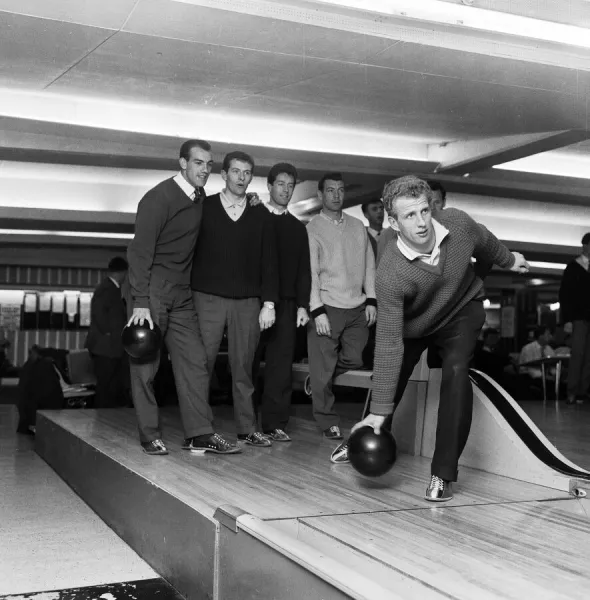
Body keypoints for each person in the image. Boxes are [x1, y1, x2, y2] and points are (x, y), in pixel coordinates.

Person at [337, 175, 529, 502]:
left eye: (424, 211)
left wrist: (511, 260)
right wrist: (381, 412)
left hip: (460, 309)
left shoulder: (457, 224)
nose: (421, 222)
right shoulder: (390, 271)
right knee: (393, 373)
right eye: (409, 216)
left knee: (456, 371)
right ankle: (368, 426)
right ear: (394, 223)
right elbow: (388, 343)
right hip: (413, 323)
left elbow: (486, 241)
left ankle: (443, 472)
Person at [127, 139, 240, 456]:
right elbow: (139, 253)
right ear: (182, 163)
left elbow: (223, 211)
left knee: (195, 363)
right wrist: (140, 301)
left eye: (209, 164)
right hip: (151, 290)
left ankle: (200, 433)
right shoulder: (158, 198)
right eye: (198, 163)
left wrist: (250, 200)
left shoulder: (200, 199)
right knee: (145, 367)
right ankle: (149, 434)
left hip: (182, 292)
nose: (205, 170)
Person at [191, 151, 279, 448]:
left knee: (244, 367)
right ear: (224, 175)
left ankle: (247, 428)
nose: (242, 177)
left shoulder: (260, 213)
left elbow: (269, 262)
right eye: (236, 171)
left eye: (247, 173)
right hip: (207, 298)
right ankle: (200, 430)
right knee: (201, 364)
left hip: (247, 302)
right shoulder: (204, 208)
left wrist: (269, 303)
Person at [306, 172, 377, 439]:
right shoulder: (312, 228)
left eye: (341, 190)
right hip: (327, 305)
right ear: (320, 195)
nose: (336, 195)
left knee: (354, 358)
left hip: (357, 306)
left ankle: (316, 379)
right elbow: (311, 272)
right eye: (331, 190)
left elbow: (370, 264)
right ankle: (327, 421)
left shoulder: (358, 226)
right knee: (323, 368)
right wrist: (317, 309)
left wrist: (371, 298)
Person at [253, 163, 311, 442]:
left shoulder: (298, 228)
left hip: (287, 305)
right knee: (247, 363)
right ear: (269, 185)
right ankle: (247, 423)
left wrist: (302, 305)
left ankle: (275, 424)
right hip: (254, 302)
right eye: (281, 184)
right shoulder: (254, 217)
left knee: (280, 367)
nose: (286, 191)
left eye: (290, 186)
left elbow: (303, 269)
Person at [85, 257, 129, 408]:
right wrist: (109, 332)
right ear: (122, 272)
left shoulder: (111, 288)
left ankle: (107, 418)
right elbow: (99, 313)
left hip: (110, 348)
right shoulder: (107, 288)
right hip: (106, 347)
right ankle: (104, 418)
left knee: (110, 385)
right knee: (106, 386)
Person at [559, 232, 590, 405]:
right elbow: (565, 295)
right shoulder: (573, 267)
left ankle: (582, 392)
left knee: (589, 357)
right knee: (577, 354)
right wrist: (567, 319)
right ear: (585, 246)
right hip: (578, 318)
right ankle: (571, 392)